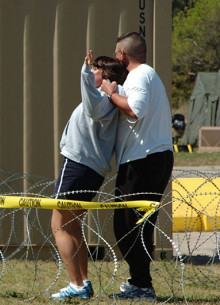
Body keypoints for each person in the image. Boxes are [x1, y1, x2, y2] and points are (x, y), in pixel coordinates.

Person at [101, 32, 174, 302]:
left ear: (122, 55)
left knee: (128, 225)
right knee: (134, 225)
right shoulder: (144, 75)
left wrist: (110, 94)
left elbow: (134, 110)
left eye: (115, 53)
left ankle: (143, 287)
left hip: (144, 160)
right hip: (148, 158)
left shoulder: (141, 75)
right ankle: (140, 282)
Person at [50, 51, 127, 300]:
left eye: (95, 69)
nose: (90, 70)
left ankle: (76, 284)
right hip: (89, 170)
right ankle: (82, 281)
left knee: (59, 225)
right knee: (73, 227)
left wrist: (84, 73)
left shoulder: (103, 100)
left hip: (78, 167)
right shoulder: (108, 99)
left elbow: (92, 107)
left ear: (104, 77)